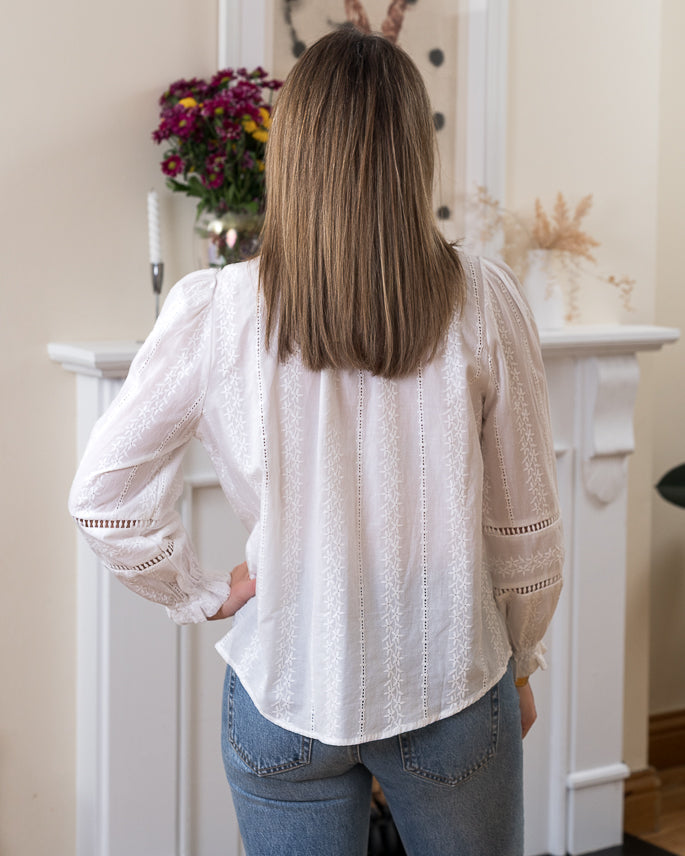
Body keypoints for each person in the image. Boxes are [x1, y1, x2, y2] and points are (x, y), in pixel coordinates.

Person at [69, 26, 564, 856]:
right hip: (448, 679)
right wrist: (520, 659)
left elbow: (103, 501)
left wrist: (198, 591)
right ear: (416, 152)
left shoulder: (215, 307)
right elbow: (526, 530)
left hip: (282, 689)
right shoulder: (482, 296)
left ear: (291, 153)